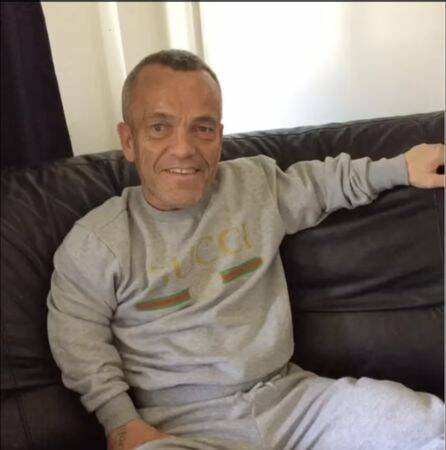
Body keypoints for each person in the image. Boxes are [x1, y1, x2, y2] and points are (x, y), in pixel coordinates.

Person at [47, 49, 445, 450]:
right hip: (180, 427)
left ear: (219, 138)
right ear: (129, 140)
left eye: (202, 128)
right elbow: (77, 340)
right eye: (160, 127)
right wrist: (120, 422)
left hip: (291, 402)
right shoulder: (97, 242)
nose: (183, 148)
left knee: (423, 424)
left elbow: (321, 183)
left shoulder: (254, 185)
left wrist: (401, 167)